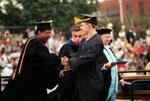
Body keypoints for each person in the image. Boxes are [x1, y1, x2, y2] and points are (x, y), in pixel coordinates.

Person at [0, 21, 61, 101]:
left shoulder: (41, 44)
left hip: (36, 83)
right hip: (28, 82)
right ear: (39, 32)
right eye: (47, 33)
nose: (49, 35)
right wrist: (57, 59)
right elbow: (45, 59)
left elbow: (44, 62)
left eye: (50, 33)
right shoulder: (33, 42)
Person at [62, 14, 104, 101]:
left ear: (89, 26)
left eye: (82, 25)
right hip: (83, 80)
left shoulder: (97, 41)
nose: (80, 28)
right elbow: (78, 54)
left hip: (91, 82)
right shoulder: (85, 40)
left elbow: (85, 58)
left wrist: (69, 61)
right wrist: (67, 59)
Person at [48, 24, 84, 101]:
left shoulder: (85, 47)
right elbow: (59, 67)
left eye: (80, 36)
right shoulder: (66, 47)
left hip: (81, 83)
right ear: (72, 35)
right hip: (68, 84)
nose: (77, 39)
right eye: (75, 36)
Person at [96, 27, 131, 101]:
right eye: (106, 37)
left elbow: (114, 67)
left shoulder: (109, 49)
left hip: (113, 86)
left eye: (109, 37)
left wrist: (120, 79)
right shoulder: (97, 50)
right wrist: (104, 66)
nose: (109, 39)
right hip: (104, 85)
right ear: (100, 37)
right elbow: (95, 65)